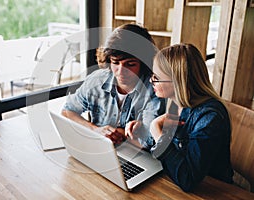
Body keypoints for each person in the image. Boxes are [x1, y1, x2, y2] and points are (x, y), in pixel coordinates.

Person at [143, 43, 233, 191]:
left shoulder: (210, 117)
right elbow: (156, 147)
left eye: (156, 77)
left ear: (178, 81)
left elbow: (188, 179)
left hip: (214, 191)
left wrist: (156, 130)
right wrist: (144, 133)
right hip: (174, 182)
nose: (151, 81)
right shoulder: (176, 103)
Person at [62, 23, 165, 145]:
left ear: (144, 63)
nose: (121, 72)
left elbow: (150, 138)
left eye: (130, 64)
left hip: (135, 153)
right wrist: (94, 129)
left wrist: (120, 133)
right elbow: (67, 111)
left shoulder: (155, 89)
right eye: (115, 63)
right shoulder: (96, 80)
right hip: (99, 146)